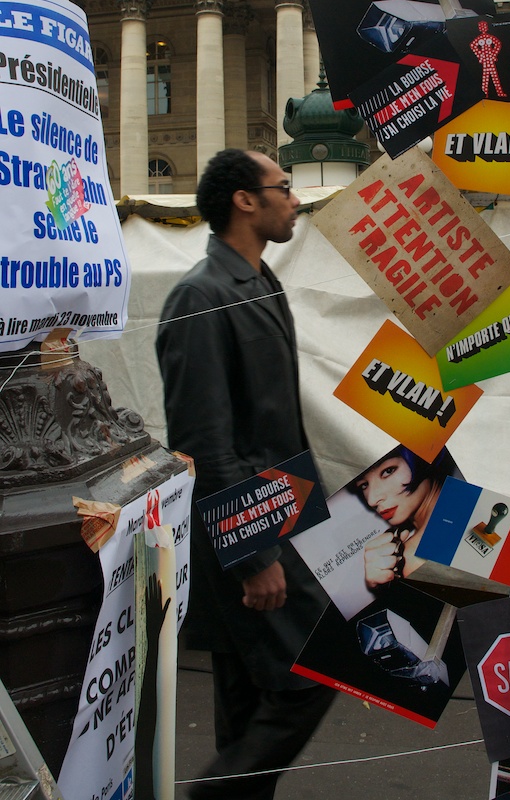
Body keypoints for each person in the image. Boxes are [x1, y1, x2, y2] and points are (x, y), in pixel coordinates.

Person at [156, 149, 333, 800]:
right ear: (245, 201)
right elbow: (204, 442)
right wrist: (254, 555)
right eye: (282, 187)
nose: (293, 198)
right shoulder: (197, 297)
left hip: (286, 518)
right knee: (311, 673)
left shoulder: (264, 283)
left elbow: (275, 424)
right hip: (249, 535)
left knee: (244, 696)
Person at [349, 446, 454, 590]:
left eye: (388, 471)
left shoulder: (415, 555)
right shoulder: (461, 504)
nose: (372, 500)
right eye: (364, 485)